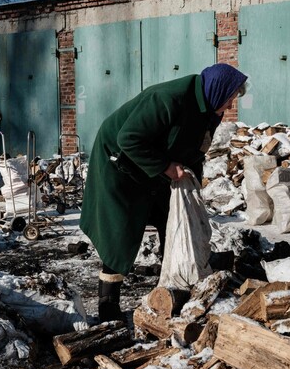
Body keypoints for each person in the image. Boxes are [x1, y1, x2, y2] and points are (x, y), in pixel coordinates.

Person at [80, 63, 247, 322]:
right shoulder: (168, 99)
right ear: (217, 89)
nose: (231, 104)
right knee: (120, 232)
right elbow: (129, 139)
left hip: (154, 165)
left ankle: (174, 286)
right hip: (119, 163)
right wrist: (167, 167)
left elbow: (197, 151)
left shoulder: (209, 111)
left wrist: (193, 188)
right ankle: (108, 305)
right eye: (230, 97)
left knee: (170, 217)